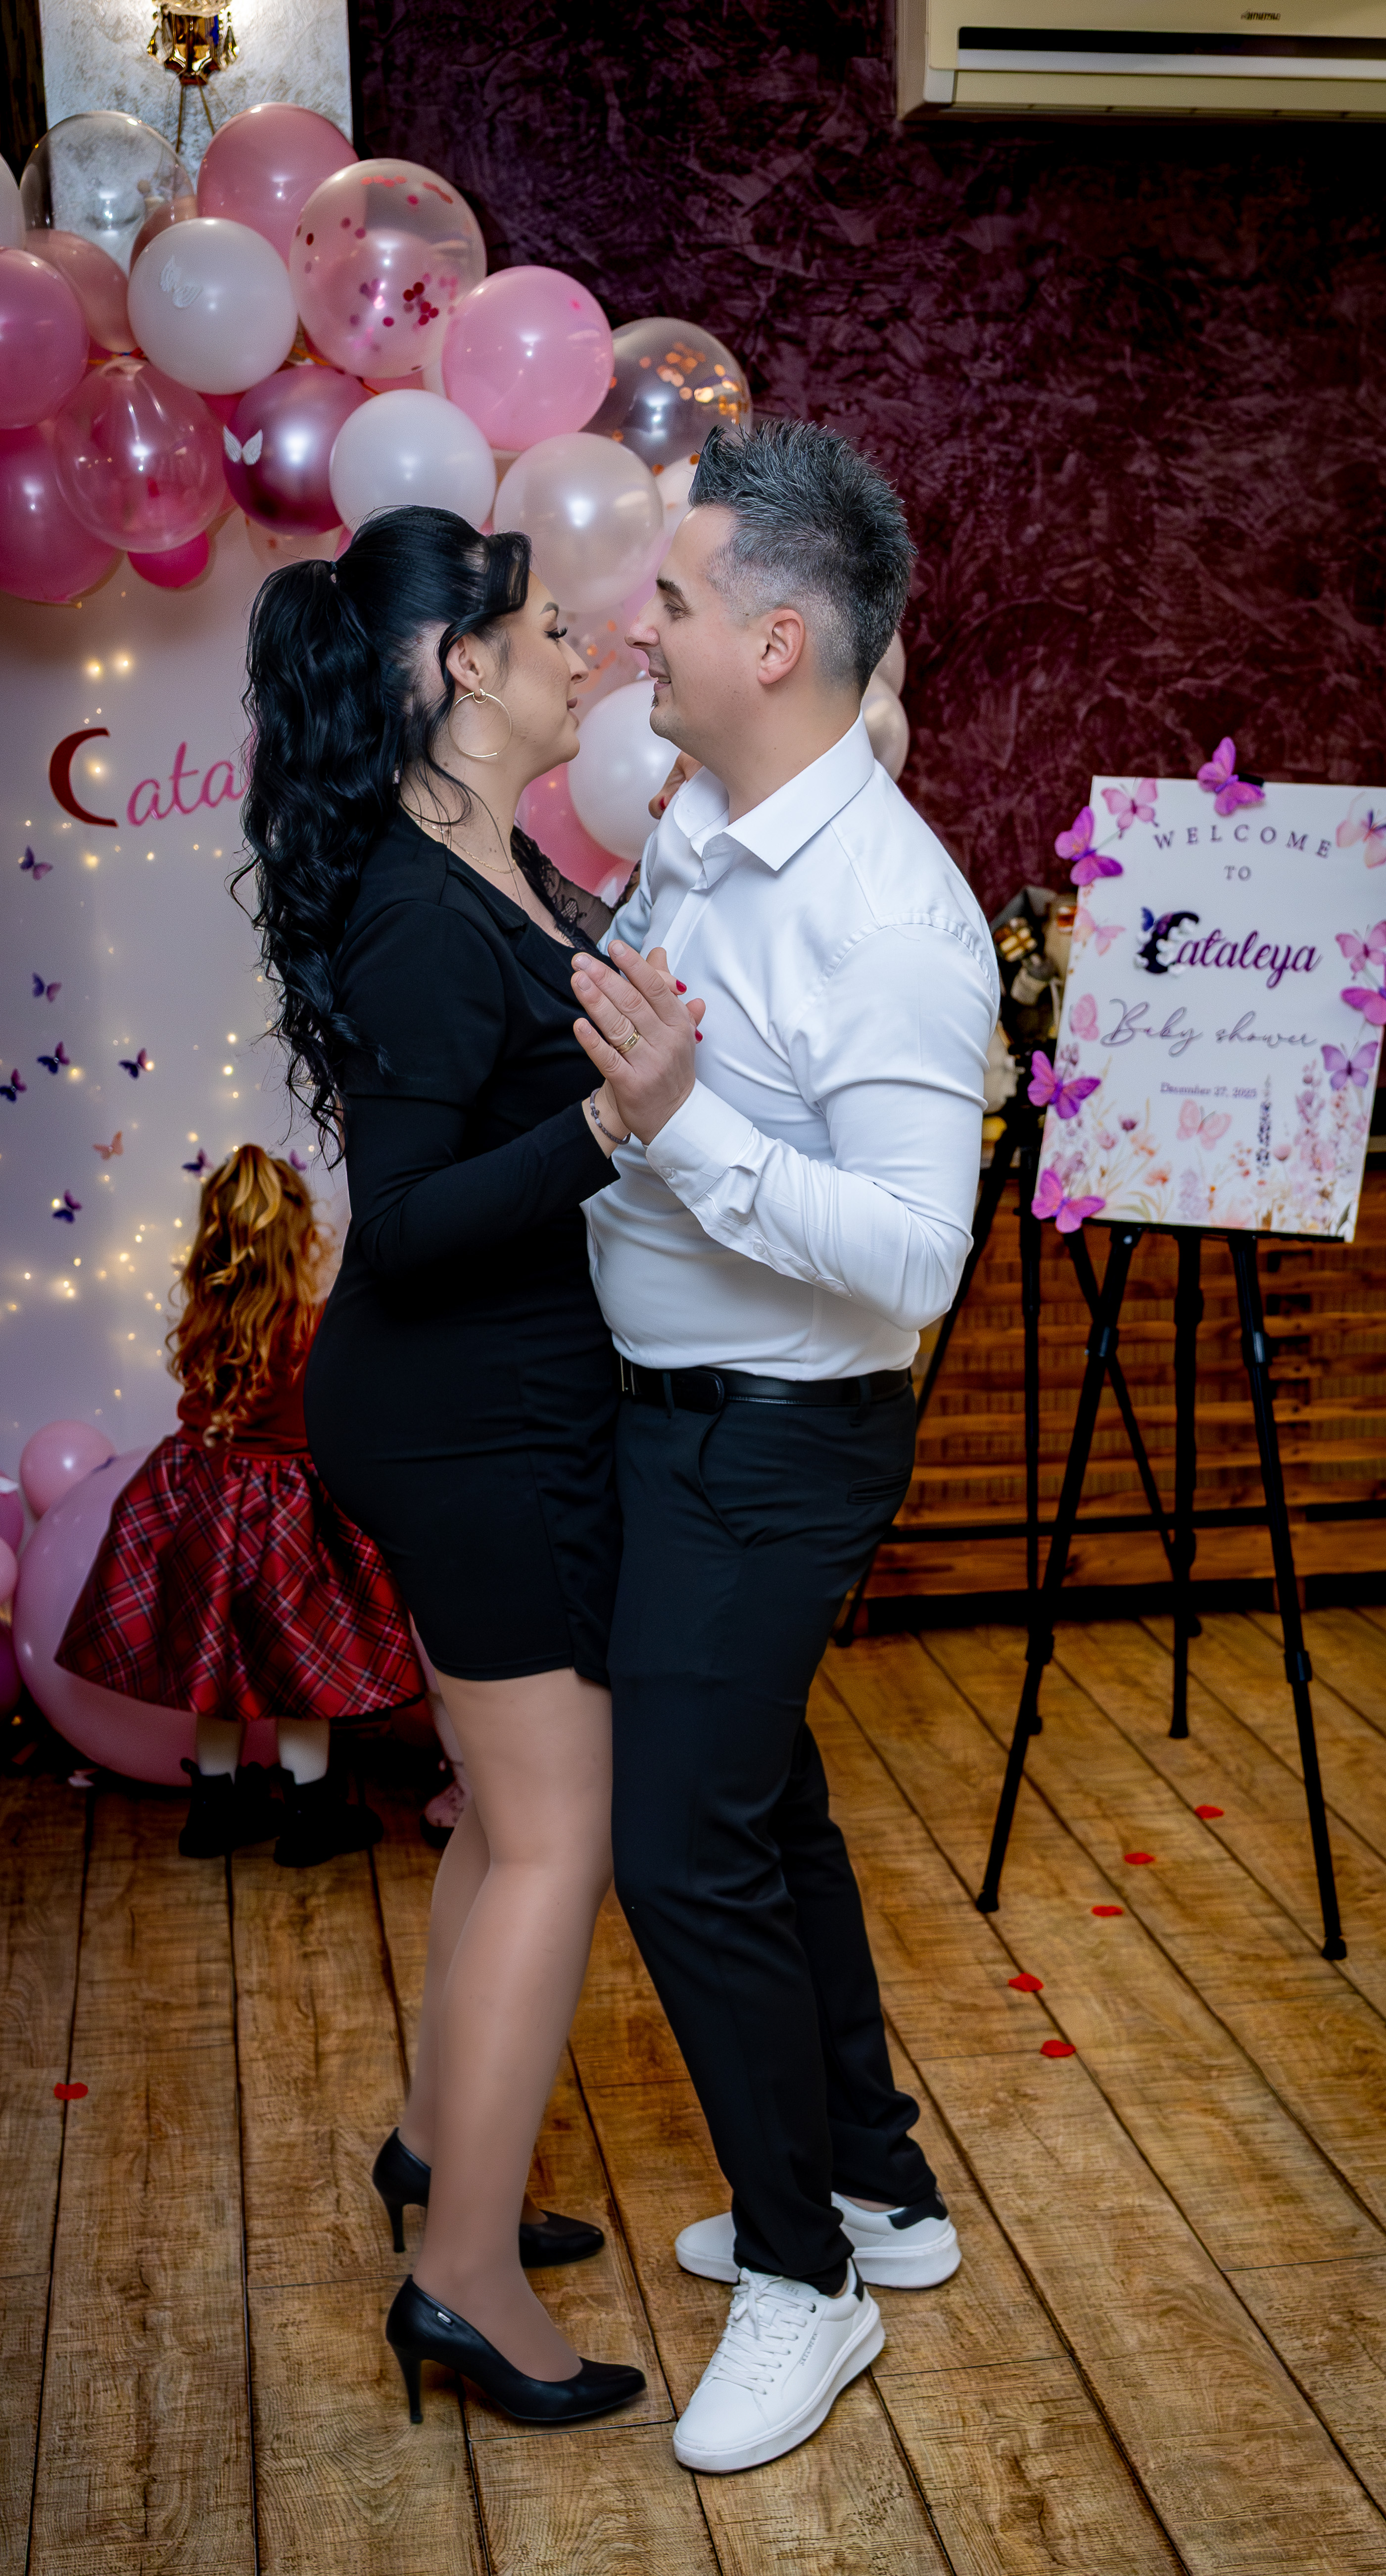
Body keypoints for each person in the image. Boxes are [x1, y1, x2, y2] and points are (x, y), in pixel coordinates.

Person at [570, 419, 998, 2475]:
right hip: (685, 1418)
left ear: (774, 640)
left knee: (681, 1848)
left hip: (775, 1439)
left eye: (667, 598)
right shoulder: (706, 823)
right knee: (768, 1813)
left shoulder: (891, 916)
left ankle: (806, 2275)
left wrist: (684, 1123)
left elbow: (916, 1257)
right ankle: (877, 2182)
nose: (631, 630)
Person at [239, 507, 676, 2431]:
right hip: (464, 1413)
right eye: (553, 631)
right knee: (558, 1832)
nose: (589, 656)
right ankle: (463, 2279)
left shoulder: (491, 857)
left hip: (494, 1399)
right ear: (462, 667)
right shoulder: (422, 909)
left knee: (508, 1818)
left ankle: (441, 2146)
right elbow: (405, 1225)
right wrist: (615, 1120)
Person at [57, 1144, 423, 1865]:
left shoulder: (206, 1315)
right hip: (287, 1526)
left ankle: (214, 1811)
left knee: (215, 1673)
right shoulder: (316, 1324)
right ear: (299, 1237)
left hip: (200, 1509)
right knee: (299, 1676)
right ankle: (312, 1816)